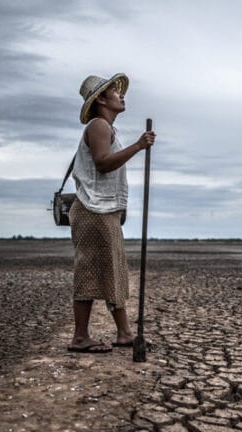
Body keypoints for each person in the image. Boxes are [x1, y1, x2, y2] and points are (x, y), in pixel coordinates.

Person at [67, 73, 156, 353]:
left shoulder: (107, 128)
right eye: (115, 92)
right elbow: (103, 164)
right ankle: (81, 337)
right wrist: (138, 146)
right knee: (91, 270)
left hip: (103, 210)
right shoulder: (98, 126)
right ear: (102, 99)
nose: (121, 95)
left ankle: (124, 332)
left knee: (112, 270)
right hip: (93, 209)